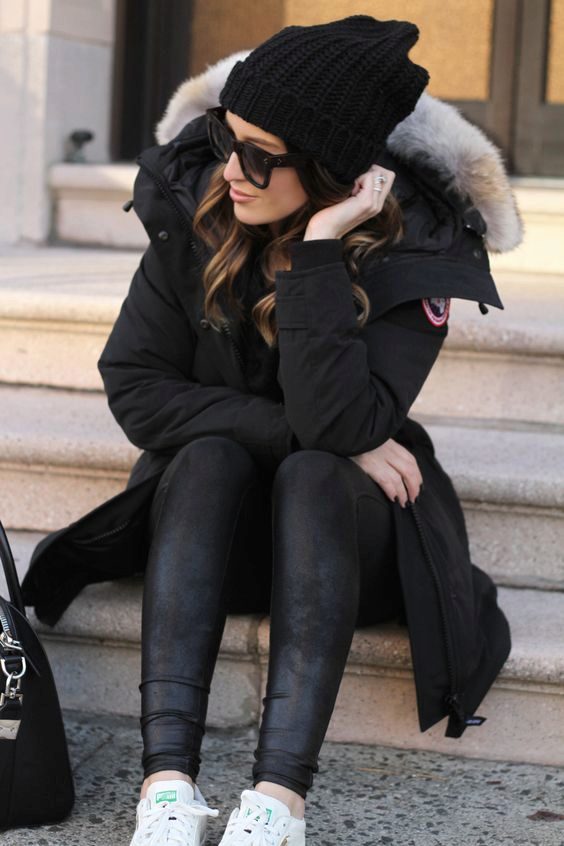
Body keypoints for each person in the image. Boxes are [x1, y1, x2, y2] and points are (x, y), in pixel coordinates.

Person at [21, 15, 522, 846]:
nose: (231, 169)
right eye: (228, 137)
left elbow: (336, 429)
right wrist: (300, 434)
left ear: (332, 173)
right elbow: (137, 389)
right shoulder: (198, 206)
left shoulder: (415, 252)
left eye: (260, 155)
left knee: (318, 474)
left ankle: (278, 801)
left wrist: (319, 253)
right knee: (209, 458)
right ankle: (167, 789)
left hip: (342, 549)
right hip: (210, 531)